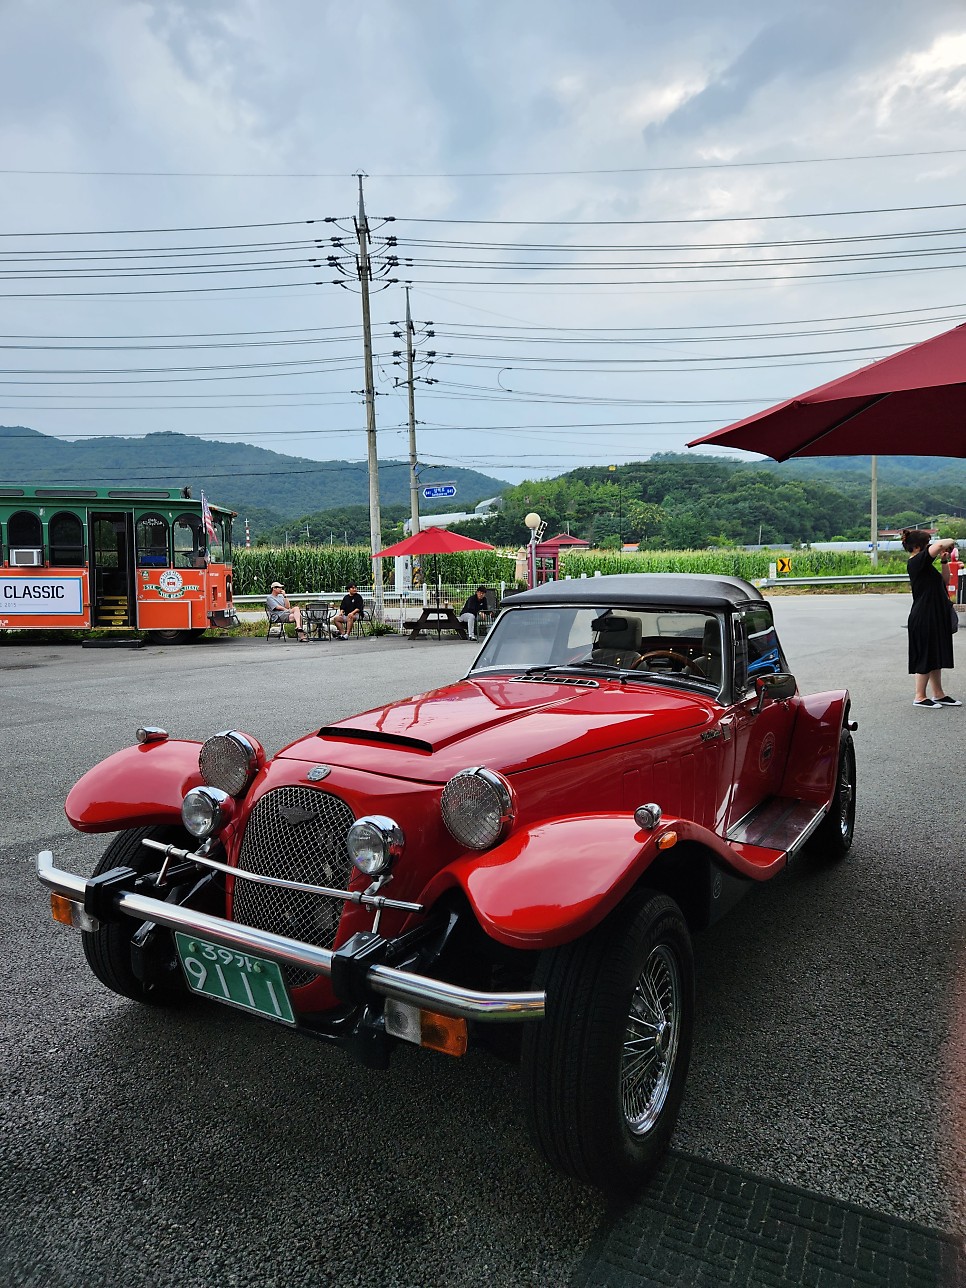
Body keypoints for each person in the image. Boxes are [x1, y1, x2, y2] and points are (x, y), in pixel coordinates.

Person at [901, 529, 960, 708]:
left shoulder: (925, 566)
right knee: (926, 655)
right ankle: (919, 696)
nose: (930, 547)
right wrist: (949, 541)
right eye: (927, 544)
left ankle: (938, 694)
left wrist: (944, 560)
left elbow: (945, 581)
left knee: (935, 654)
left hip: (934, 614)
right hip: (923, 616)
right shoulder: (916, 561)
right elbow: (942, 544)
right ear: (918, 547)